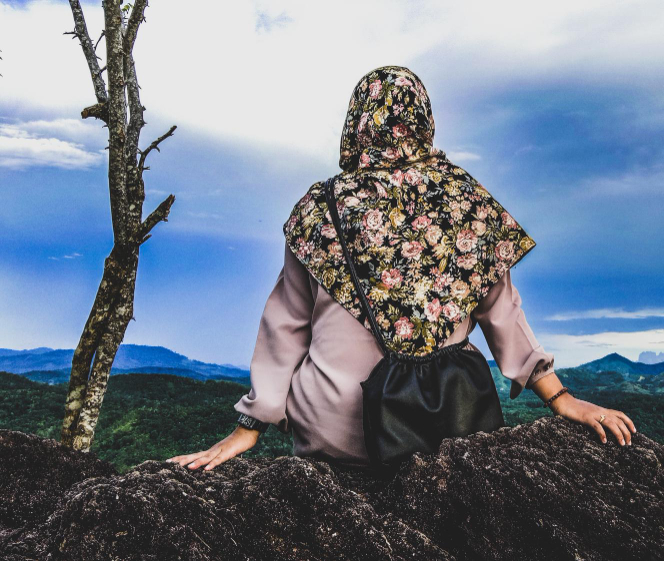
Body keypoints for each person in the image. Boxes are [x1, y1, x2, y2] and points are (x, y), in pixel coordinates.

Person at [167, 66, 636, 472]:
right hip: (441, 429)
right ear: (424, 121)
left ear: (356, 126)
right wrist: (562, 400)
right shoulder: (465, 202)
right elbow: (503, 316)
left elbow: (284, 326)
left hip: (333, 437)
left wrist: (250, 426)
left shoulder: (321, 209)